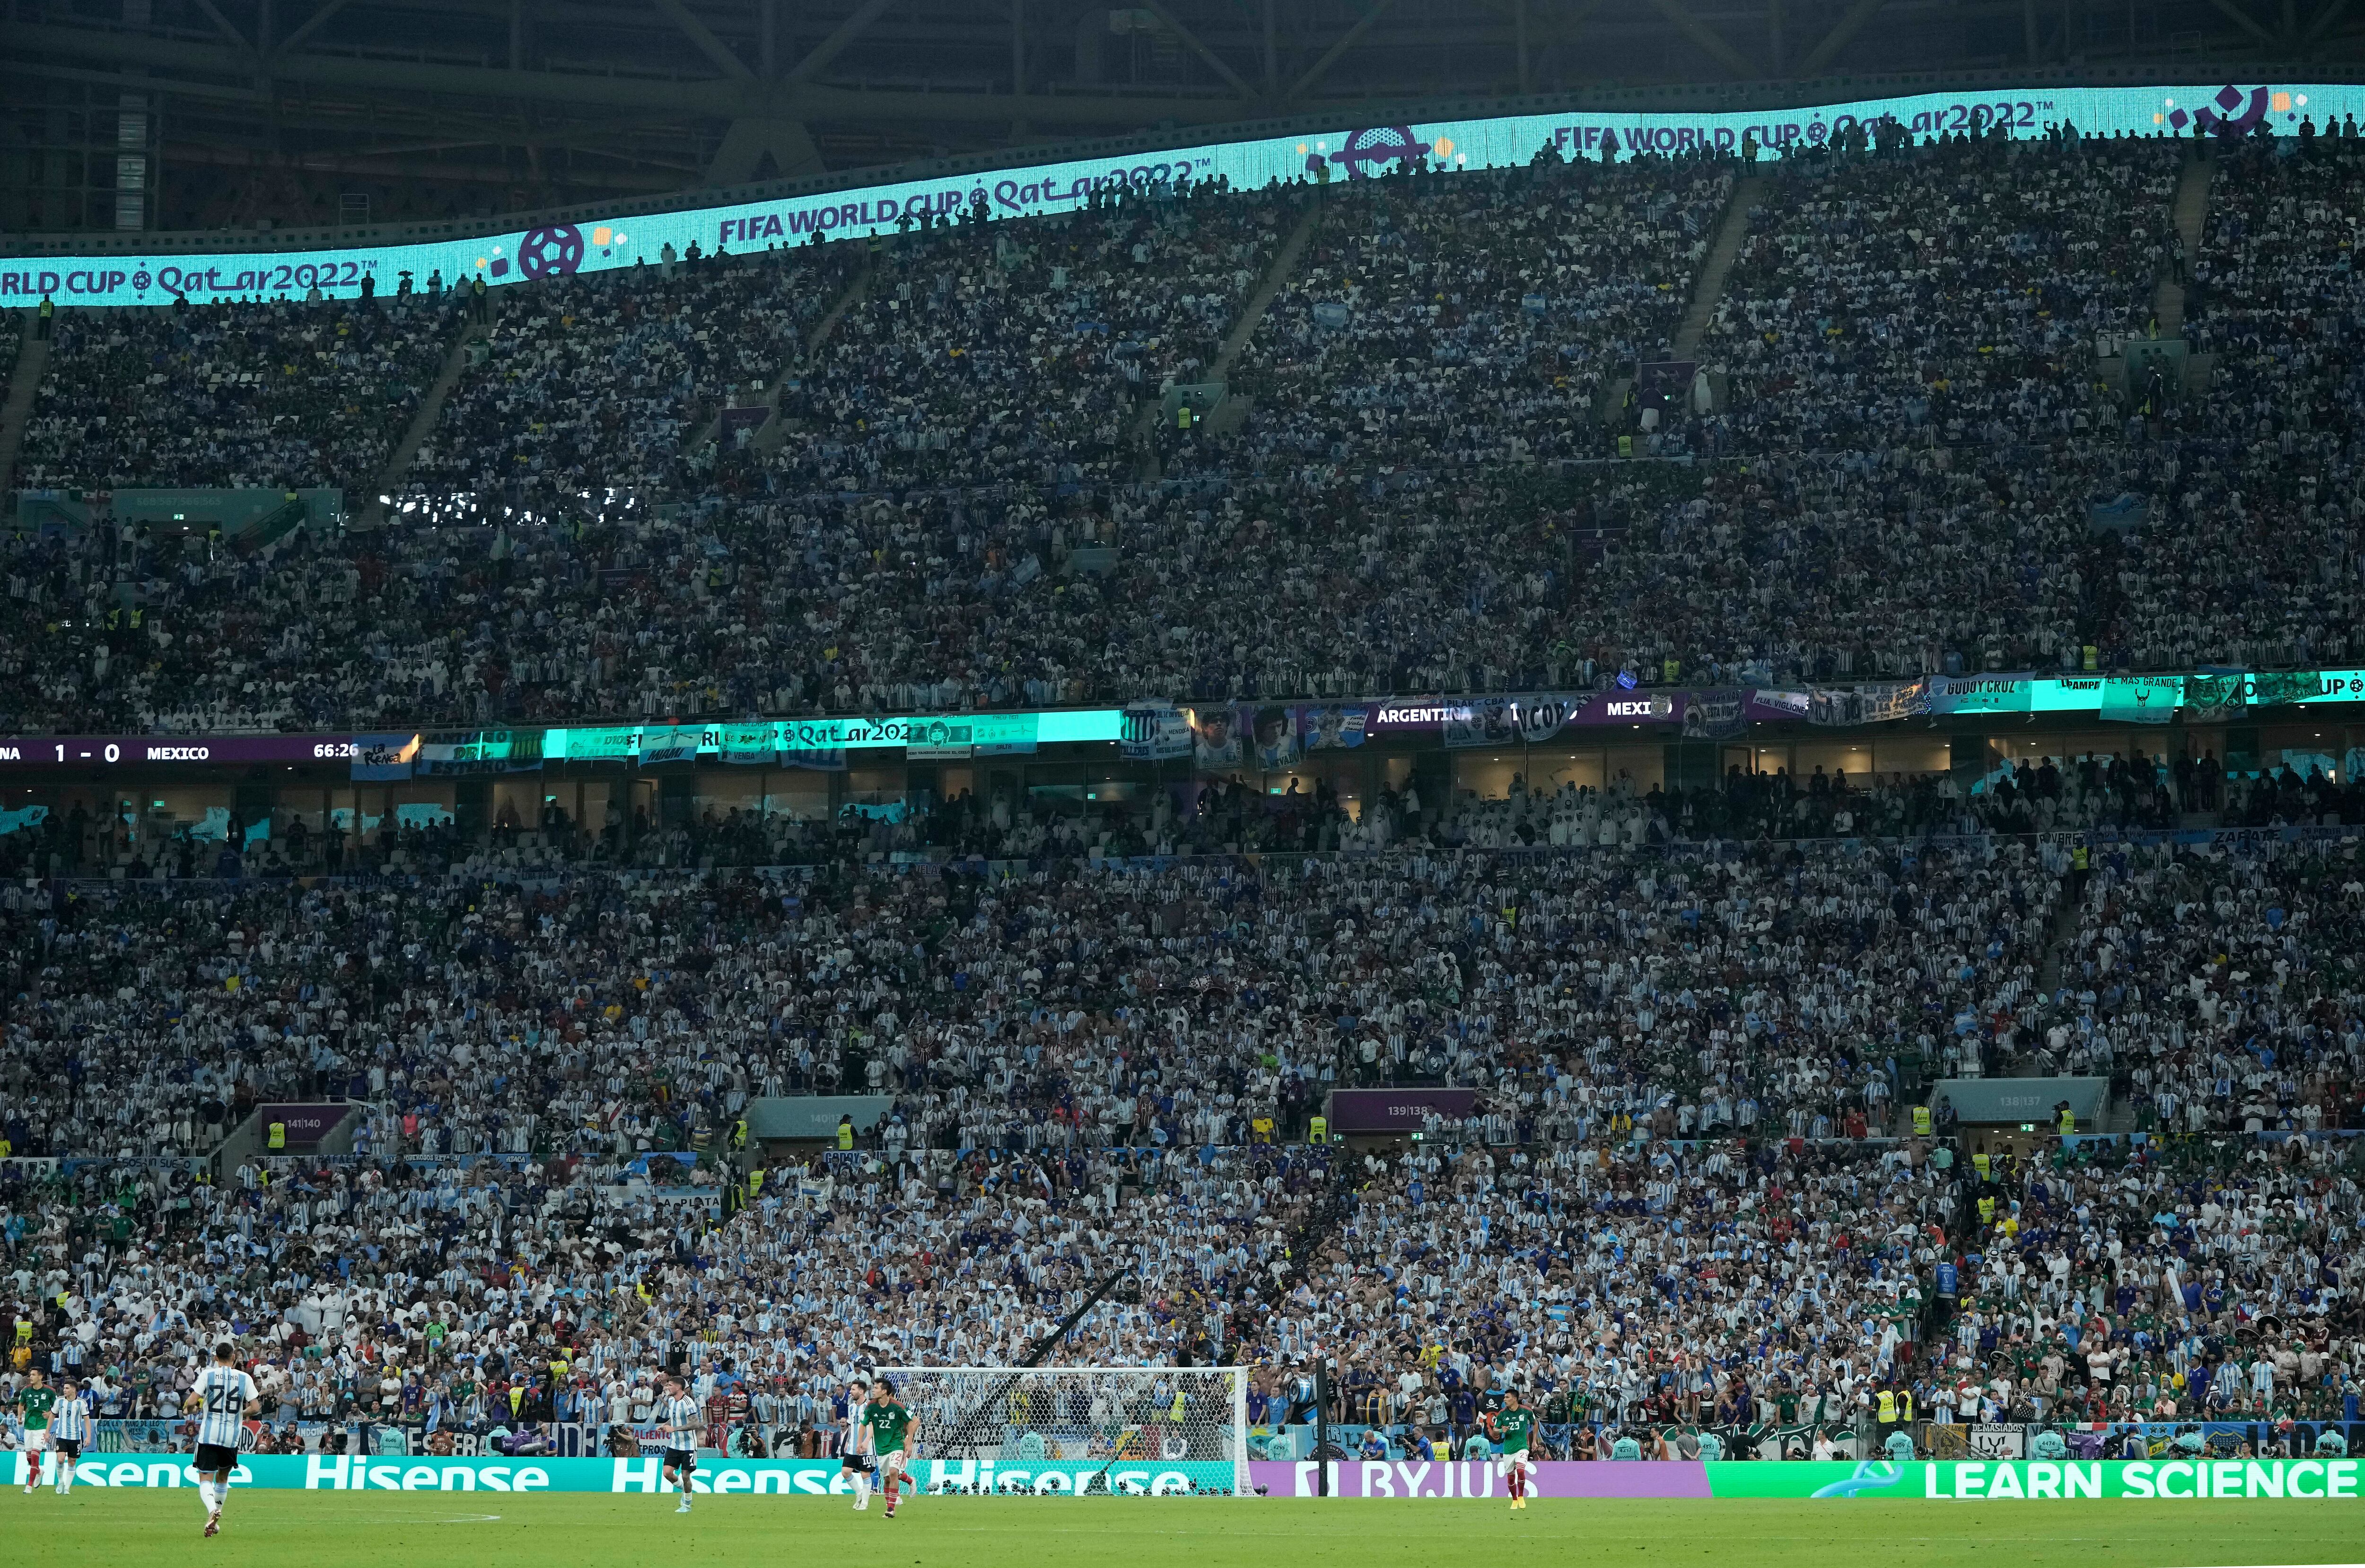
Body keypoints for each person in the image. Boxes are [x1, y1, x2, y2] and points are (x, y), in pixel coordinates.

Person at [183, 1343, 258, 1537]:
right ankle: (215, 1518)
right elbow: (256, 1407)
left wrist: (193, 1409)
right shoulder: (245, 1378)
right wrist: (240, 1414)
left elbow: (191, 1403)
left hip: (209, 1435)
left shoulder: (207, 1375)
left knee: (205, 1477)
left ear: (216, 1357)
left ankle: (211, 1512)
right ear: (234, 1357)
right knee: (223, 1478)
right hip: (231, 1437)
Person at [864, 1377, 915, 1519]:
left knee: (894, 1472)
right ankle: (910, 1482)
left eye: (876, 1388)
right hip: (881, 1447)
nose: (873, 1390)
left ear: (885, 1391)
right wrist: (864, 1442)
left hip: (897, 1444)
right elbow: (866, 1424)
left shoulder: (898, 1406)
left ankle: (891, 1509)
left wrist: (908, 1441)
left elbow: (913, 1422)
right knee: (887, 1478)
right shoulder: (872, 1406)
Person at [656, 1375, 701, 1513]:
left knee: (686, 1475)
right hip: (675, 1444)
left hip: (689, 1446)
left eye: (670, 1385)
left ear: (678, 1387)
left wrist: (674, 1429)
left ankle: (687, 1504)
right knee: (667, 1473)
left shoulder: (688, 1402)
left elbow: (695, 1423)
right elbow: (674, 1418)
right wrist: (665, 1425)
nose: (667, 1387)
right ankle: (684, 1488)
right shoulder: (671, 1400)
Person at [1486, 1386, 1535, 1509]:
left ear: (1515, 1399)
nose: (1505, 1400)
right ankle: (1514, 1500)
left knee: (1521, 1471)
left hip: (1522, 1446)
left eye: (1507, 1397)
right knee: (1511, 1477)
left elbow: (1535, 1423)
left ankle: (1521, 1496)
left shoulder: (1526, 1411)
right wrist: (1501, 1430)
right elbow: (1495, 1431)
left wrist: (1534, 1441)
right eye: (1504, 1397)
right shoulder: (1502, 1414)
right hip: (1508, 1449)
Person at [48, 1375, 90, 1495]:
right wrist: (47, 1432)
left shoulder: (81, 1403)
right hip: (61, 1435)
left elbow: (87, 1420)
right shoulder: (59, 1401)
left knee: (72, 1461)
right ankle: (61, 1482)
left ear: (73, 1389)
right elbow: (52, 1416)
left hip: (76, 1437)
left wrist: (88, 1437)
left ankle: (67, 1488)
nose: (64, 1390)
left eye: (67, 1388)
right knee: (61, 1460)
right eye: (64, 1388)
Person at [17, 1367, 54, 1493]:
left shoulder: (50, 1391)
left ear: (41, 1377)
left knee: (35, 1454)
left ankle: (29, 1486)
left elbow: (57, 1407)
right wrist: (20, 1416)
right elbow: (21, 1404)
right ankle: (39, 1471)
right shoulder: (26, 1391)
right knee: (29, 1458)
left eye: (33, 1375)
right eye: (30, 1375)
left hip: (42, 1426)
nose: (30, 1377)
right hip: (29, 1426)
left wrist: (50, 1413)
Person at [841, 1380, 875, 1508]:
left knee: (865, 1474)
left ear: (861, 1391)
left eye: (853, 1390)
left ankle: (865, 1504)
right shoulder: (851, 1407)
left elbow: (872, 1427)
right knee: (845, 1472)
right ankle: (859, 1493)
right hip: (852, 1447)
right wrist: (848, 1442)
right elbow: (851, 1427)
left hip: (867, 1448)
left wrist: (866, 1442)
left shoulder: (870, 1406)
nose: (851, 1392)